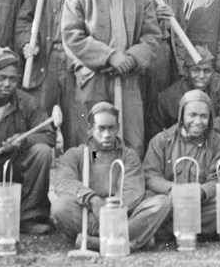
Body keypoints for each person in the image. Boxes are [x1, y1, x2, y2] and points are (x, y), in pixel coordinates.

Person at [62, 0, 162, 157]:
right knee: (91, 136)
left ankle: (127, 184)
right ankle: (91, 183)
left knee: (130, 136)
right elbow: (72, 36)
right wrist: (109, 56)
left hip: (128, 78)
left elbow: (152, 37)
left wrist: (131, 59)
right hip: (92, 78)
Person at [52, 102, 168, 251]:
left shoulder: (128, 156)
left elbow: (132, 190)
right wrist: (93, 200)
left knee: (160, 202)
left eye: (111, 128)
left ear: (118, 128)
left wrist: (108, 211)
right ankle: (130, 239)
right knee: (60, 207)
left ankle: (97, 243)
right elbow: (64, 182)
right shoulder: (76, 154)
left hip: (121, 213)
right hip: (89, 214)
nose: (106, 134)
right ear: (90, 129)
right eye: (101, 129)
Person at [16, 0, 93, 144]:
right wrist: (25, 43)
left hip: (77, 63)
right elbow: (24, 20)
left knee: (78, 126)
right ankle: (37, 173)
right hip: (44, 60)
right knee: (37, 124)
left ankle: (75, 174)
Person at [0, 48, 55, 234]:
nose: (7, 84)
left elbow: (48, 135)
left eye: (13, 79)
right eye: (1, 78)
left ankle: (28, 216)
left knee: (42, 152)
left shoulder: (27, 102)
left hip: (13, 168)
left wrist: (24, 141)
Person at [144, 90, 220, 237]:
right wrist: (174, 190)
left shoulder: (219, 143)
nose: (198, 122)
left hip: (201, 204)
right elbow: (150, 175)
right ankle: (180, 229)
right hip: (170, 201)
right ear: (181, 116)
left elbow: (216, 179)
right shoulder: (161, 140)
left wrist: (199, 192)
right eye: (192, 115)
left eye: (204, 116)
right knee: (155, 204)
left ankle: (166, 231)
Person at [148, 45, 220, 142]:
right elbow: (155, 134)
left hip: (213, 143)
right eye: (196, 70)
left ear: (213, 71)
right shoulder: (169, 97)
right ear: (186, 72)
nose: (202, 76)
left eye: (207, 71)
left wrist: (191, 127)